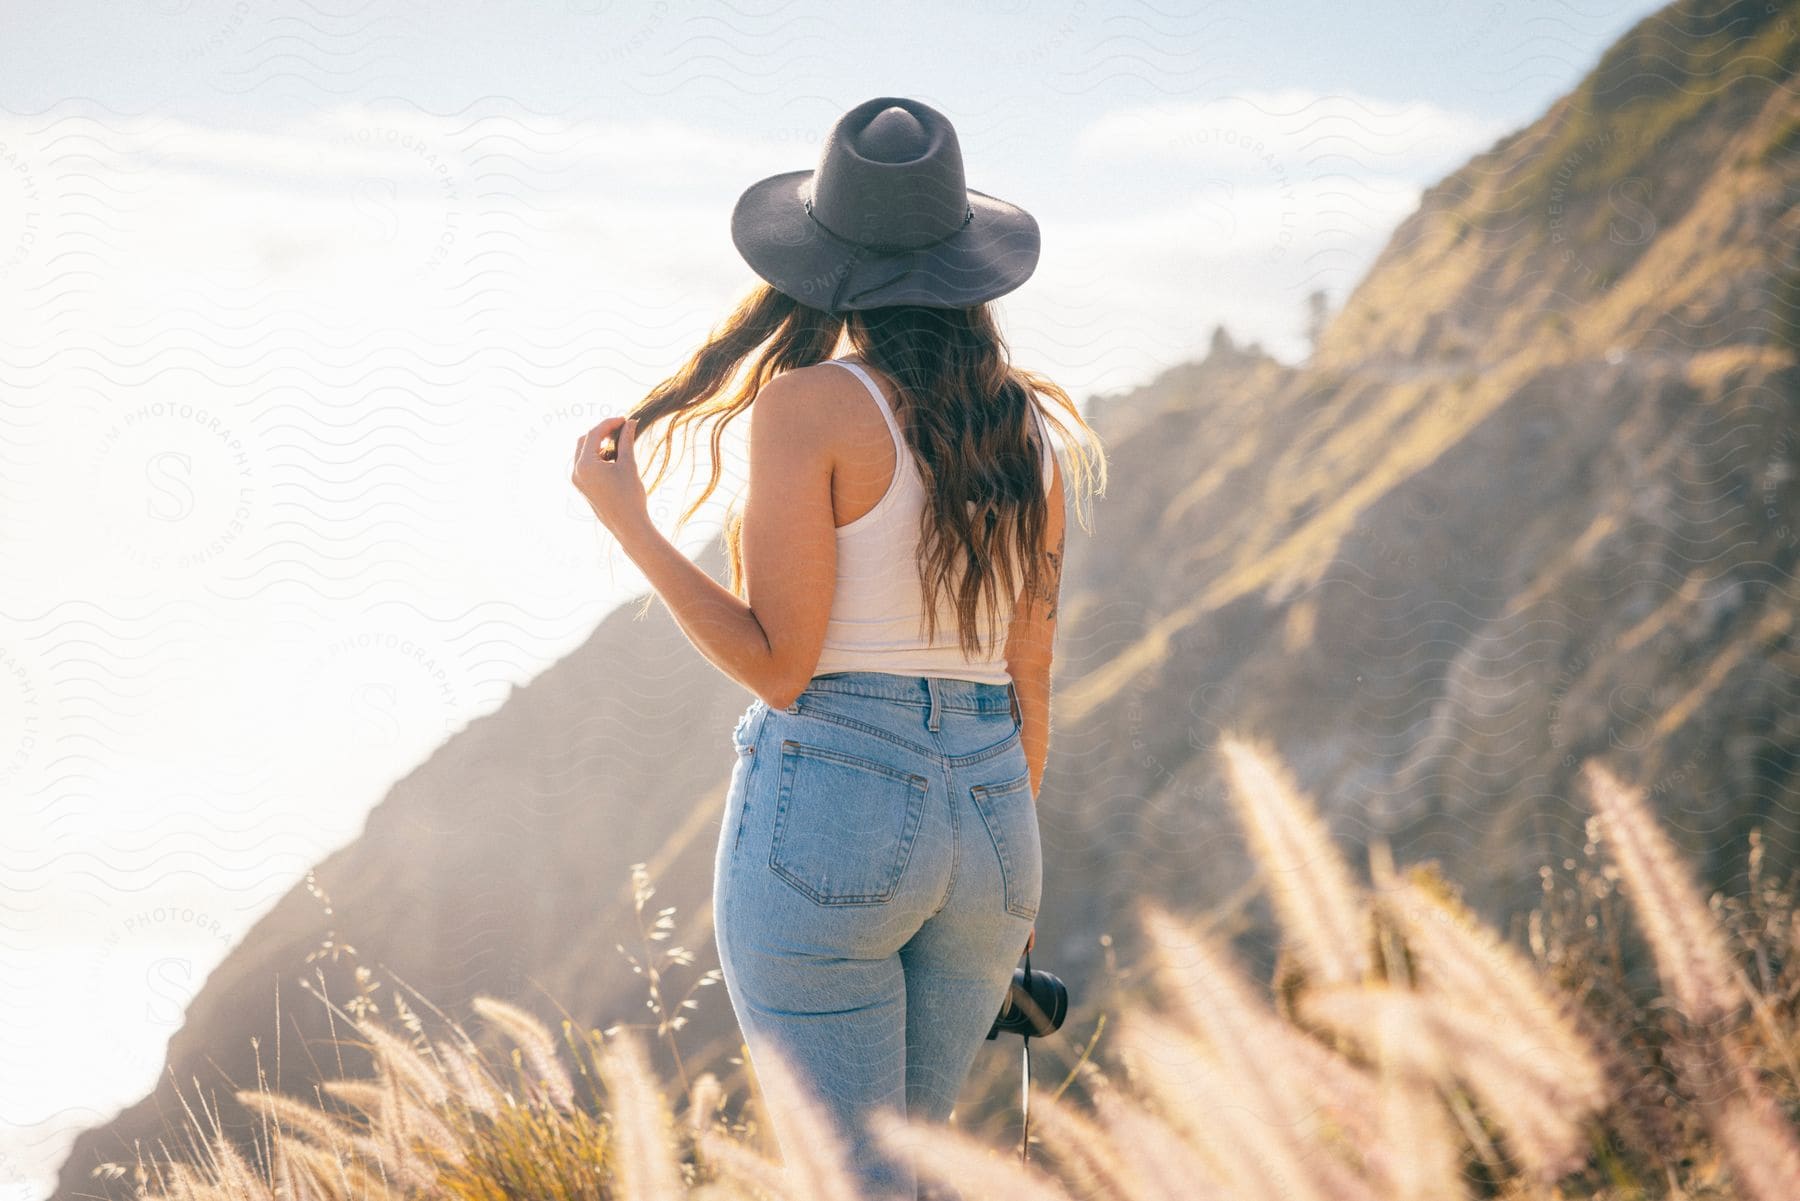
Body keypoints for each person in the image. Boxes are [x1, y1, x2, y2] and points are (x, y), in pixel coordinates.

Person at [570, 96, 1105, 1200]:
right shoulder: (1035, 438)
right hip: (996, 822)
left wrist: (632, 528)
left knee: (855, 1181)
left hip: (841, 811)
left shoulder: (808, 407)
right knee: (915, 1168)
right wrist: (1008, 873)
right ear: (966, 264)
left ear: (825, 262)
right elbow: (1030, 669)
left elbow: (781, 665)